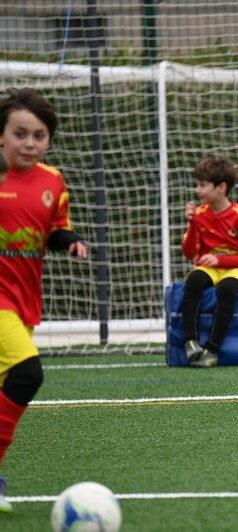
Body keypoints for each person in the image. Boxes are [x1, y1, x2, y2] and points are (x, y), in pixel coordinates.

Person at [0, 88, 88, 512]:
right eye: (20, 134)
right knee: (27, 373)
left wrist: (68, 241)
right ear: (1, 135)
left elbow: (53, 228)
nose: (29, 143)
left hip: (24, 301)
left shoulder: (53, 180)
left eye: (39, 135)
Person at [181, 156, 238, 368]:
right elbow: (189, 252)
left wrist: (219, 259)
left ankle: (212, 350)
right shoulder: (200, 214)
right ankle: (190, 341)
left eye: (202, 185)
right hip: (211, 268)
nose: (197, 190)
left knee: (227, 289)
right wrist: (192, 223)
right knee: (194, 280)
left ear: (221, 187)